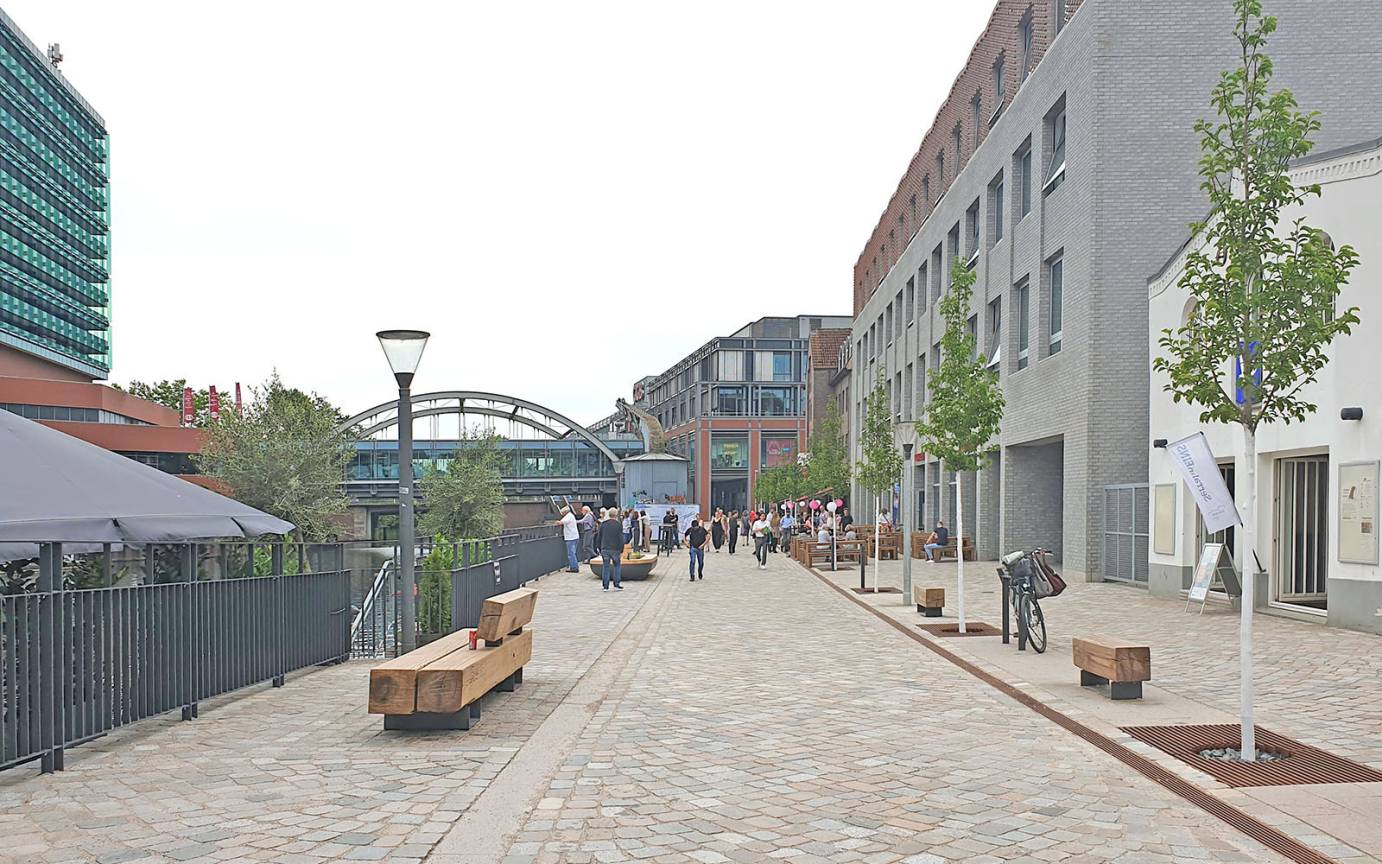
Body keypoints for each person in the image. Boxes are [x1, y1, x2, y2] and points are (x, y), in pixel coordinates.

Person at [597, 509, 625, 590]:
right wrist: (621, 549)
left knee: (606, 566)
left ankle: (605, 586)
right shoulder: (618, 525)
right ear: (616, 515)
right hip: (615, 549)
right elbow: (621, 538)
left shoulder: (603, 524)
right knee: (617, 565)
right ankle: (616, 584)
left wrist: (599, 547)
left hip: (605, 548)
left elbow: (599, 537)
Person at [559, 506, 580, 572]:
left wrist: (556, 522)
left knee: (571, 554)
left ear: (565, 512)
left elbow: (561, 522)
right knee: (573, 553)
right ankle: (574, 566)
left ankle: (574, 567)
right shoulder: (571, 515)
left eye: (562, 513)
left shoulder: (568, 516)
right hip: (575, 536)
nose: (562, 514)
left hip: (570, 537)